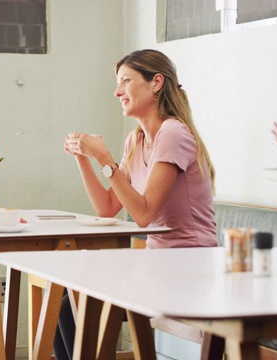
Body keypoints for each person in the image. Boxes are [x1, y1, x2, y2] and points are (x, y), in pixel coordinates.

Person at [54, 49, 217, 359]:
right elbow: (107, 207)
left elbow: (142, 215)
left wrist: (104, 158)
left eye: (125, 81)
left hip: (190, 269)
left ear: (156, 82)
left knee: (72, 303)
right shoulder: (136, 140)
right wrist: (83, 157)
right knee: (66, 299)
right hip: (159, 266)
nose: (117, 92)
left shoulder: (174, 133)